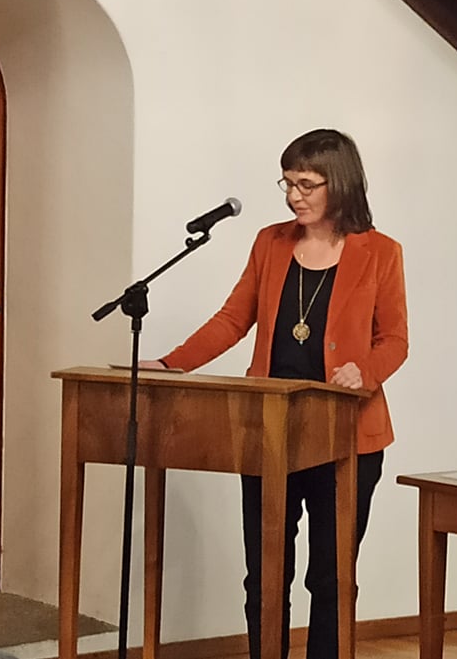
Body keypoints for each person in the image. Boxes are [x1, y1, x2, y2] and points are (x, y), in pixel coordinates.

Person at [142, 128, 408, 659]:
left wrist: (365, 372)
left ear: (340, 183)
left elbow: (395, 340)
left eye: (307, 184)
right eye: (287, 183)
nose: (294, 196)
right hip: (268, 431)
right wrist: (172, 363)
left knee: (331, 576)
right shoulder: (270, 242)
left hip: (347, 438)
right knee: (265, 573)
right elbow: (232, 319)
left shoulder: (380, 252)